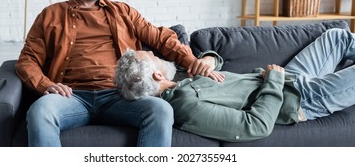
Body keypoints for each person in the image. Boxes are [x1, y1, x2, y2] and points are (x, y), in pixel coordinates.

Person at [15, 0, 223, 147]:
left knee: (160, 110)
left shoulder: (123, 12)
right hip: (71, 97)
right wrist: (46, 85)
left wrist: (193, 61)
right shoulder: (51, 15)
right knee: (40, 111)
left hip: (120, 96)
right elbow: (27, 60)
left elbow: (162, 38)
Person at [115, 28, 355, 142]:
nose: (157, 55)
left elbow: (218, 72)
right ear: (157, 75)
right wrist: (273, 80)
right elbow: (256, 126)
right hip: (302, 98)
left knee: (338, 37)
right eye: (153, 57)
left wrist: (208, 59)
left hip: (289, 77)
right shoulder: (186, 107)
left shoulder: (178, 81)